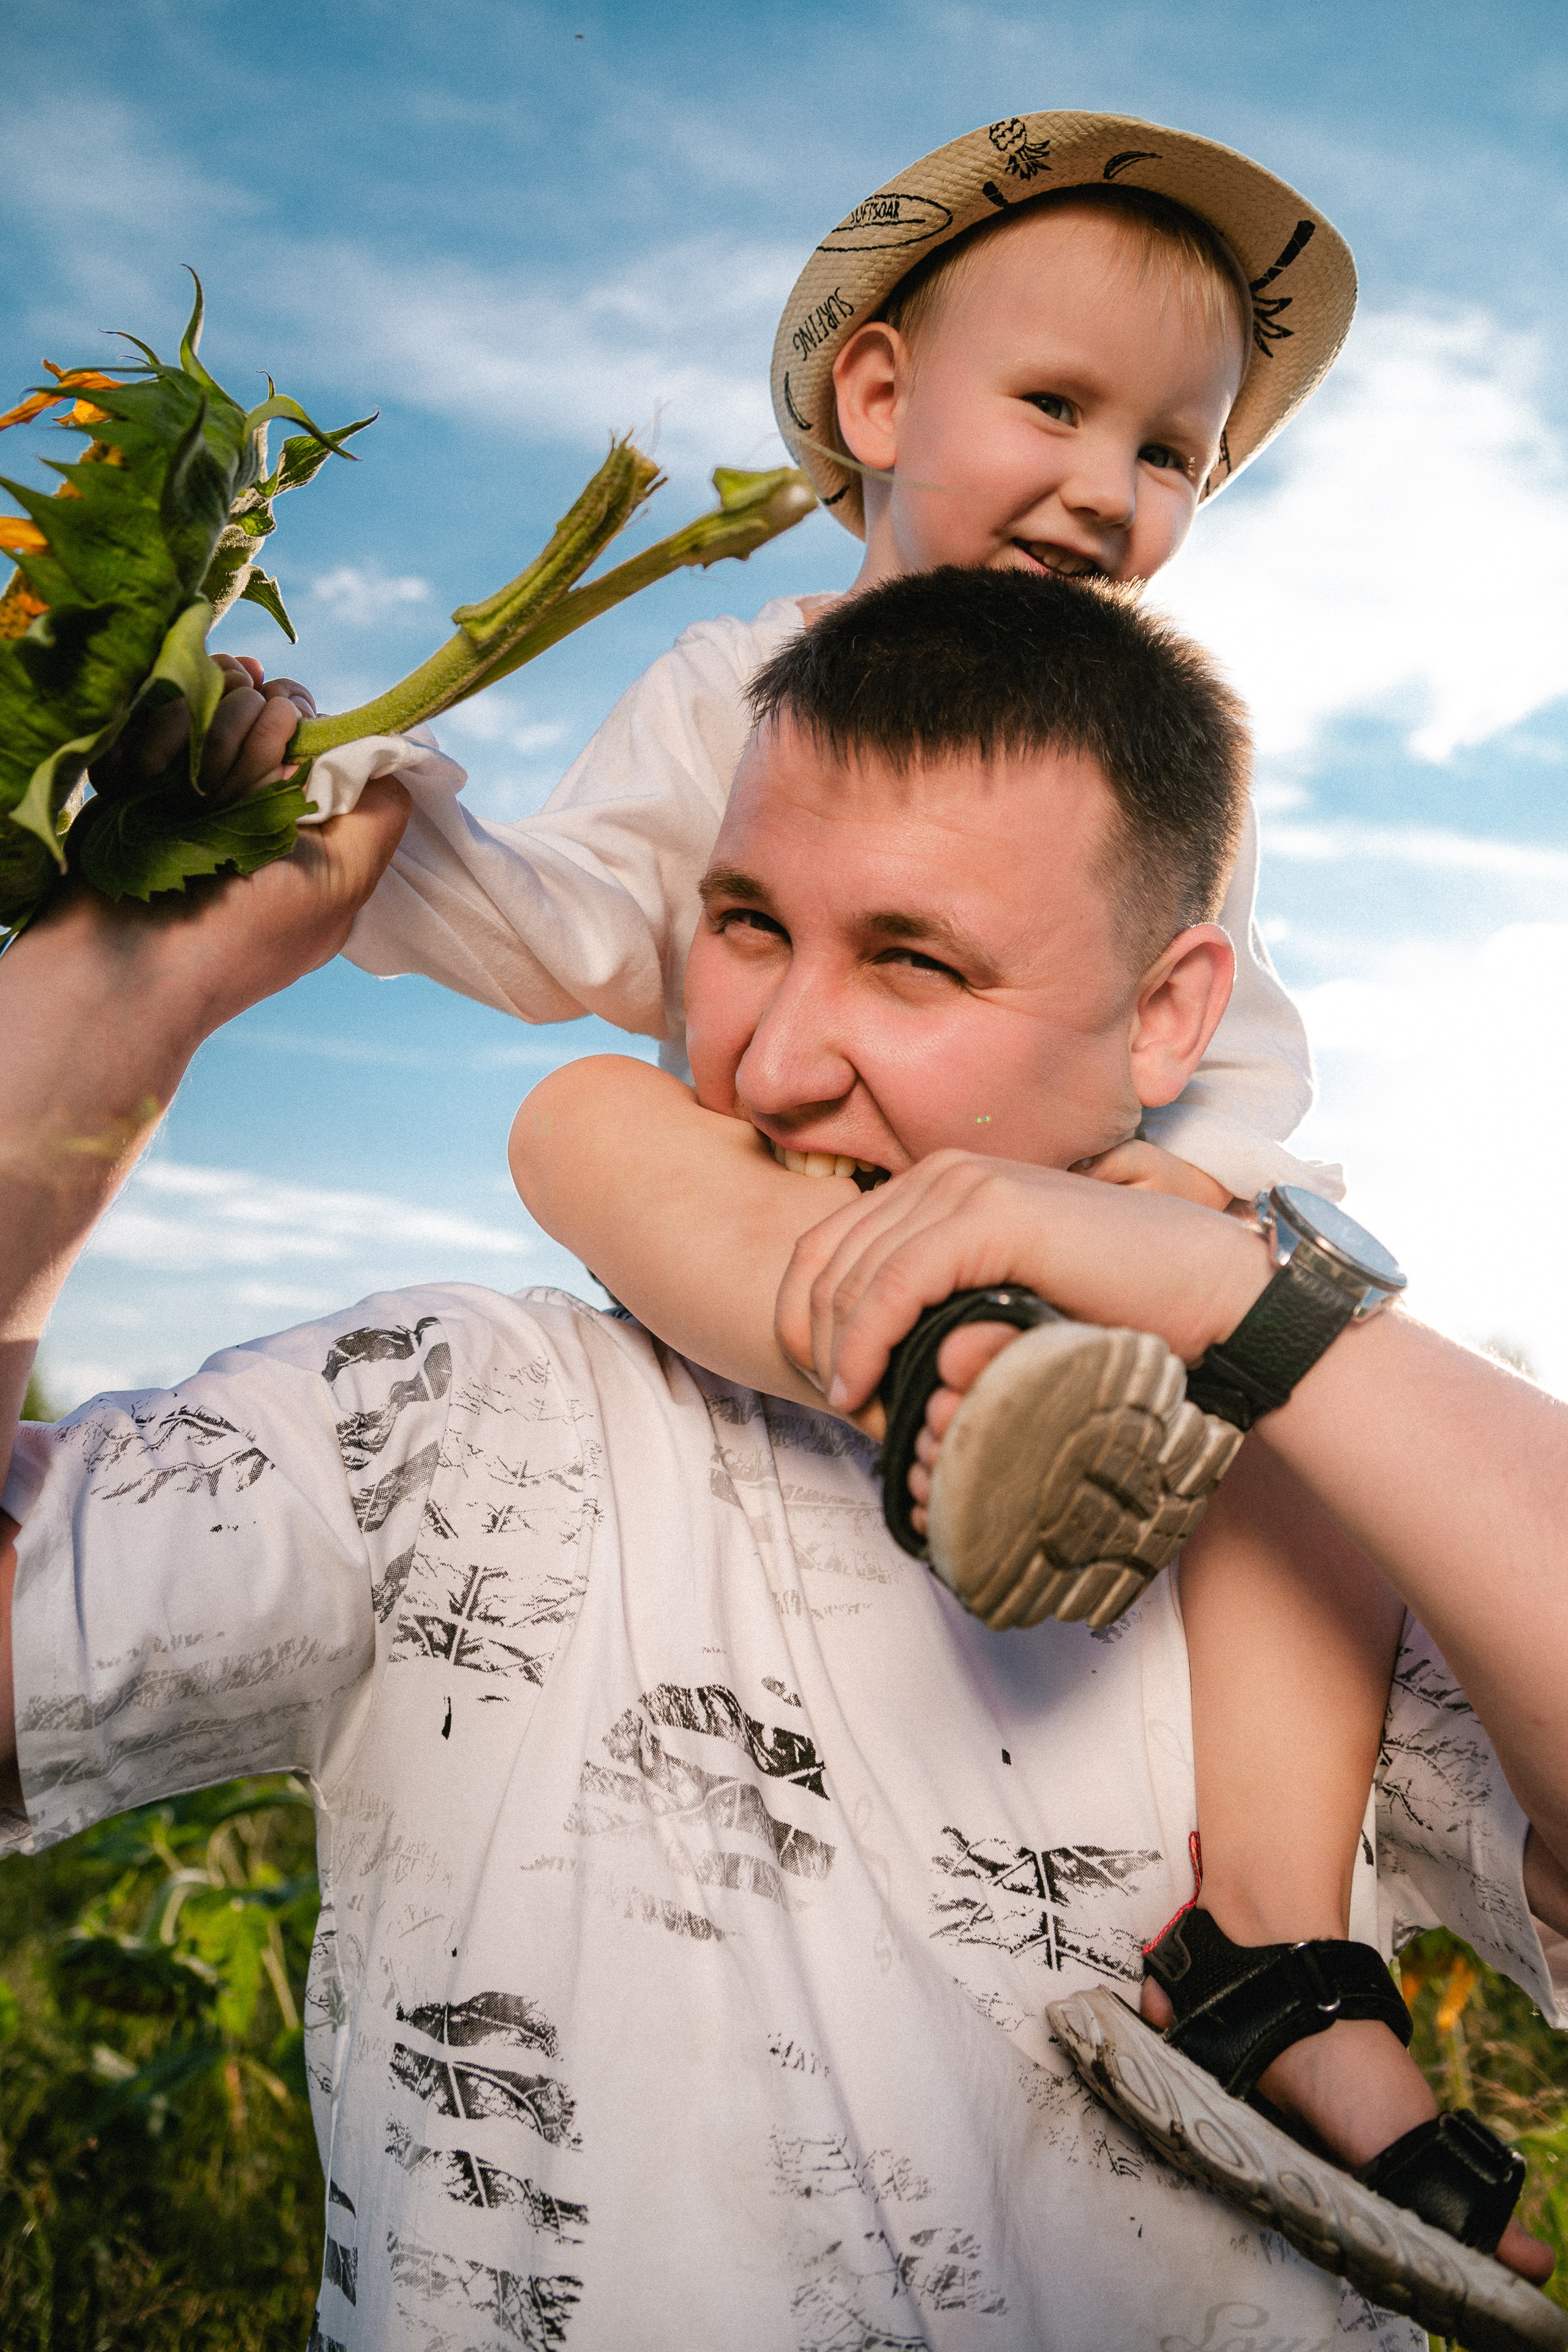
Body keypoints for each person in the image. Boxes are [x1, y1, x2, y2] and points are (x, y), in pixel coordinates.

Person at [3, 579, 1564, 2352]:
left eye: (915, 962)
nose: (773, 1057)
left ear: (1167, 1020)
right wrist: (121, 992)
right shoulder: (464, 1424)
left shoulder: (1280, 1551)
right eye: (747, 925)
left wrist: (1247, 1308)